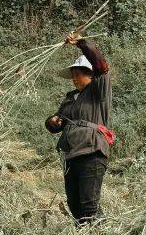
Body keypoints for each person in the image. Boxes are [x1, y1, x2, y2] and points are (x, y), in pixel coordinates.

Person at [45, 33, 113, 224]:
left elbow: (102, 65)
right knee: (74, 205)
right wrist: (52, 122)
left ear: (90, 74)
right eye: (73, 75)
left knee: (89, 205)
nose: (74, 78)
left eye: (79, 74)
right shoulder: (70, 98)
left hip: (91, 150)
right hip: (70, 154)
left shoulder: (98, 90)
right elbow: (56, 124)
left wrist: (83, 44)